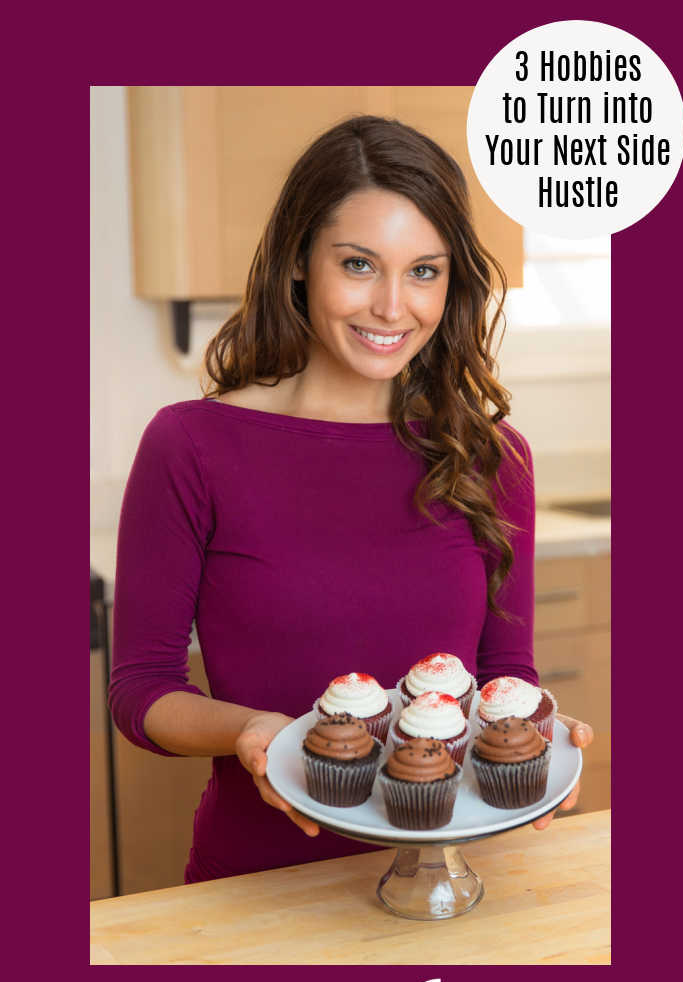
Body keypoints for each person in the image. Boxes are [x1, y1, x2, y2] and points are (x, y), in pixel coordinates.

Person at [109, 115, 593, 884]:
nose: (393, 307)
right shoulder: (192, 446)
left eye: (425, 271)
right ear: (300, 261)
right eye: (360, 264)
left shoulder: (494, 460)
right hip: (259, 884)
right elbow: (141, 692)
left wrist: (533, 727)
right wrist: (256, 731)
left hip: (453, 880)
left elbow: (507, 666)